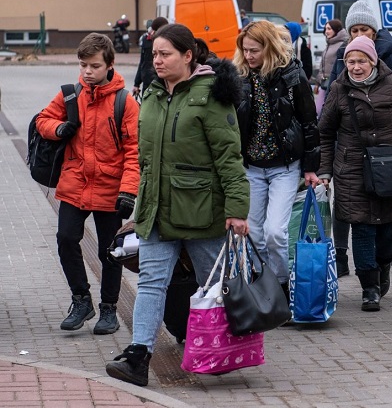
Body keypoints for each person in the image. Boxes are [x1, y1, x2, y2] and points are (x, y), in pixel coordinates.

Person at [105, 24, 250, 387]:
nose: (157, 60)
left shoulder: (212, 96)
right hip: (157, 211)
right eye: (154, 53)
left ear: (188, 56)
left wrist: (237, 210)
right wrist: (141, 202)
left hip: (202, 211)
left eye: (165, 53)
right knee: (152, 283)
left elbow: (230, 159)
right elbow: (146, 159)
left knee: (213, 284)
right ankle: (138, 357)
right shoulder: (151, 96)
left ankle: (224, 351)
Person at [35, 33, 140, 336]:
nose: (87, 72)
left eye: (94, 66)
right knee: (66, 238)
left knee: (111, 252)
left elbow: (135, 150)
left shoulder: (125, 102)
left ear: (110, 64)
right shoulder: (71, 94)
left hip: (111, 188)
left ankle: (109, 308)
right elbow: (43, 119)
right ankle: (81, 300)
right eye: (83, 66)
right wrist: (59, 128)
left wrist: (129, 190)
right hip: (75, 183)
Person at [318, 36, 392, 311]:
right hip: (352, 169)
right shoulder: (339, 88)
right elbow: (325, 132)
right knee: (361, 228)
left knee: (386, 231)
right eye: (350, 61)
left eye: (361, 60)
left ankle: (383, 268)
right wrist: (325, 169)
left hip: (388, 168)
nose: (356, 67)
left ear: (373, 60)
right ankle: (369, 288)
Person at [233, 20, 320, 296]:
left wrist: (310, 168)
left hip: (284, 166)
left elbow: (309, 121)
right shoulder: (239, 78)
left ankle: (282, 285)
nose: (249, 56)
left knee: (276, 233)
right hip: (252, 167)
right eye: (245, 50)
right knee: (255, 234)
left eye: (255, 50)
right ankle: (264, 286)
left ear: (269, 48)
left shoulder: (292, 76)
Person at [327, 0, 392, 275]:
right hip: (349, 143)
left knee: (384, 207)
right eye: (354, 29)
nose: (359, 34)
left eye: (365, 29)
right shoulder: (342, 55)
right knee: (347, 204)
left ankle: (384, 258)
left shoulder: (390, 57)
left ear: (374, 31)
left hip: (384, 149)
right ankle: (342, 256)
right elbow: (332, 97)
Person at [314, 18, 347, 117]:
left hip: (335, 84)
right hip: (324, 84)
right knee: (318, 110)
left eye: (329, 29)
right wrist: (317, 82)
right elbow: (322, 65)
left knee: (330, 111)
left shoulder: (341, 45)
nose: (326, 31)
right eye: (325, 29)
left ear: (336, 30)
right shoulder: (329, 43)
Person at [132, 16, 168, 101]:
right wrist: (136, 84)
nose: (152, 33)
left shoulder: (169, 43)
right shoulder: (146, 39)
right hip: (147, 81)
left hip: (161, 83)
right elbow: (142, 62)